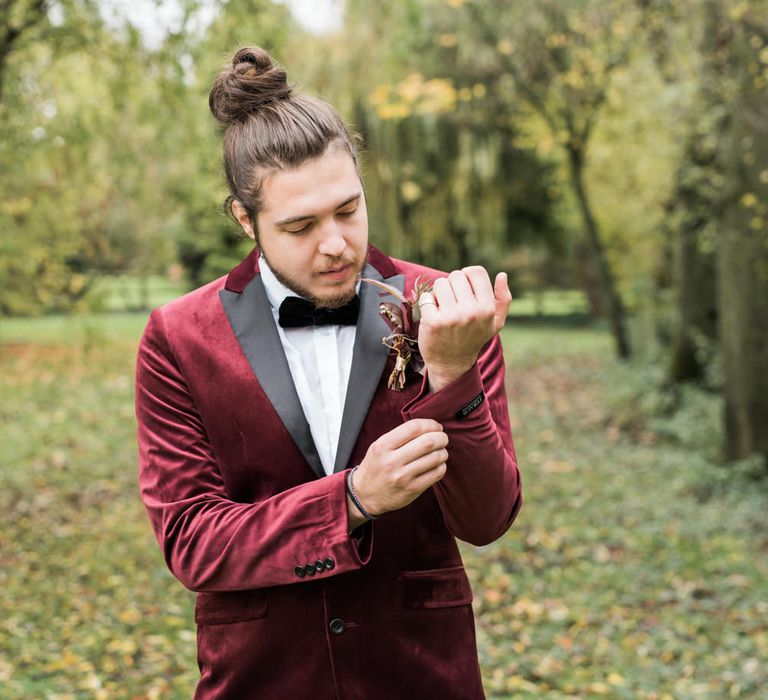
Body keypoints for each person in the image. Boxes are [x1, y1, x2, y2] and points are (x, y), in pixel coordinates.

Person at [135, 45, 522, 700]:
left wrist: (453, 375)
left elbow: (486, 520)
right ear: (244, 220)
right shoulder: (178, 337)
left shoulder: (444, 306)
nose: (337, 243)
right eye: (301, 226)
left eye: (348, 210)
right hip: (259, 680)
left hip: (420, 676)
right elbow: (192, 541)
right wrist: (352, 499)